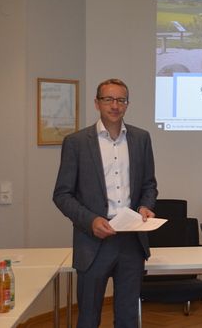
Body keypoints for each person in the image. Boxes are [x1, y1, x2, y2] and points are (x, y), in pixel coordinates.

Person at [53, 78, 158, 328]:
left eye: (120, 100)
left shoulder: (141, 139)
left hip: (131, 241)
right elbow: (62, 194)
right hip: (93, 241)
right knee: (88, 318)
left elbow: (149, 185)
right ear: (97, 103)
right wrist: (91, 221)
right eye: (108, 99)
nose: (115, 105)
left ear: (127, 104)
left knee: (128, 318)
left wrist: (145, 205)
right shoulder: (77, 143)